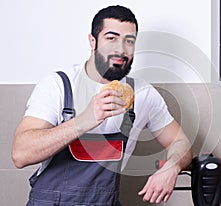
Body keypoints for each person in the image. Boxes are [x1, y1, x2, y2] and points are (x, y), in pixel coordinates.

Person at [12, 5, 192, 206]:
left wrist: (172, 167)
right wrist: (84, 121)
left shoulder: (142, 94)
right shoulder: (59, 85)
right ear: (92, 41)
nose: (121, 49)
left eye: (129, 41)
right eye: (111, 38)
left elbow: (181, 142)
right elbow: (20, 155)